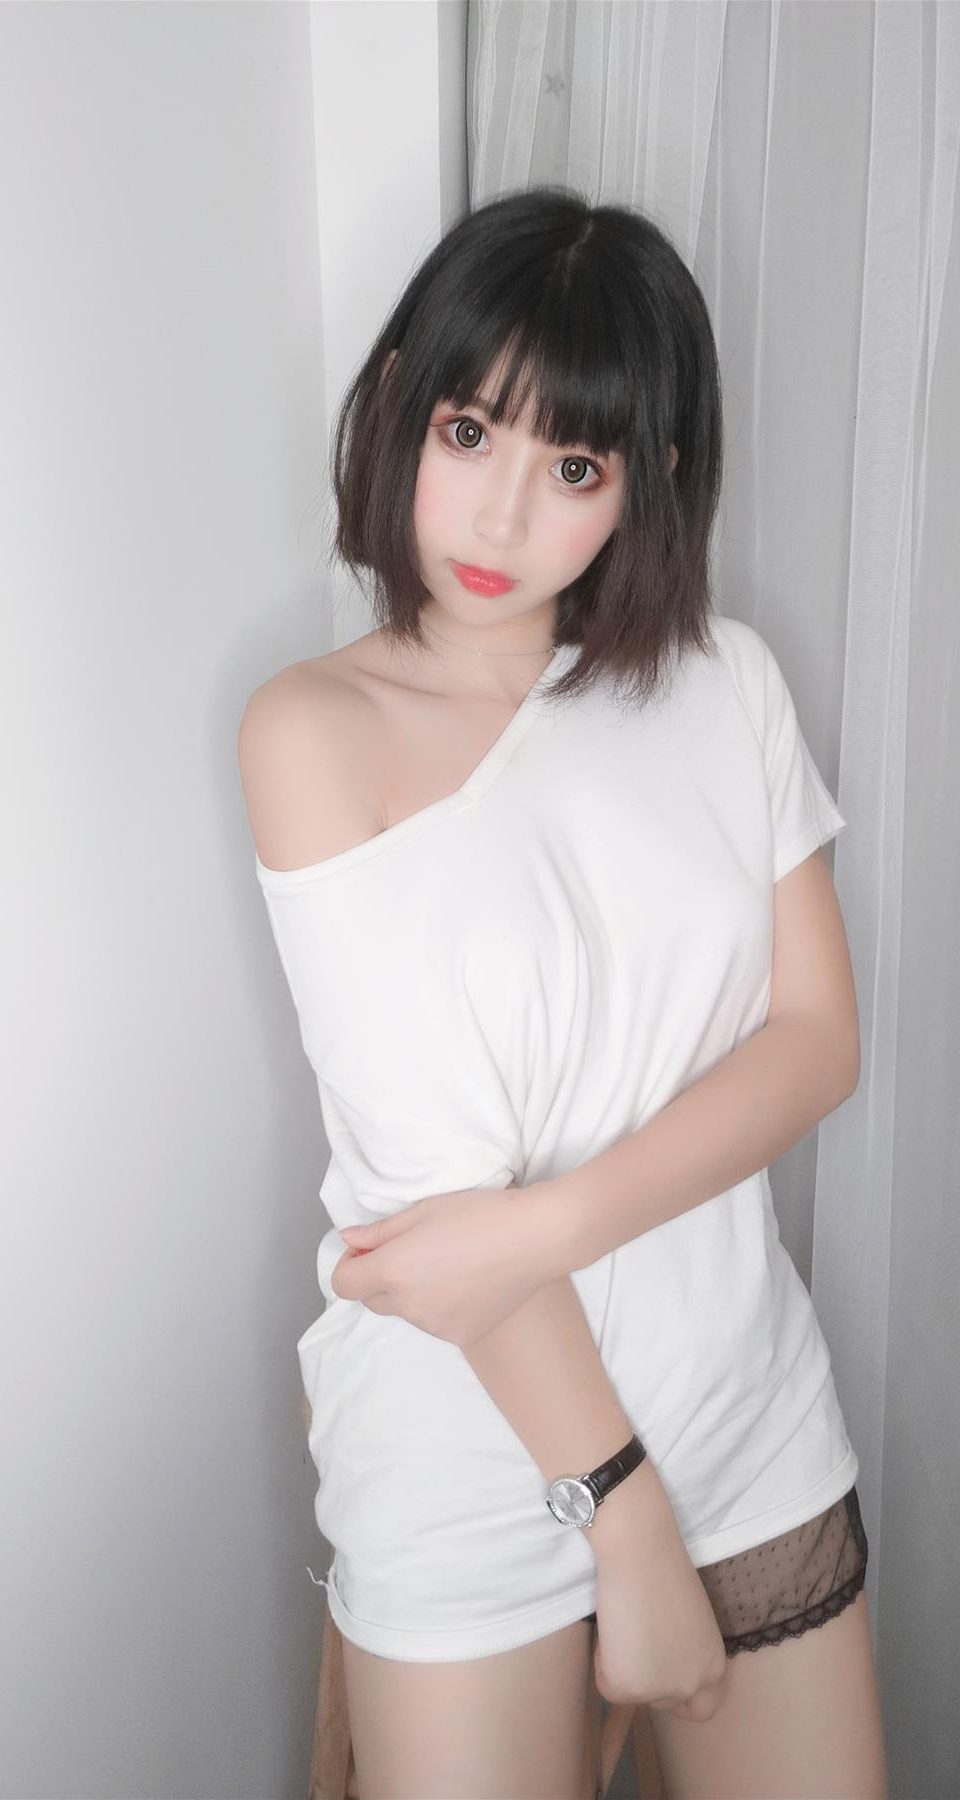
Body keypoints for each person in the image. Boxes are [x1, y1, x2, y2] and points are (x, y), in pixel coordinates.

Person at [238, 187, 887, 1799]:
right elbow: (430, 1202)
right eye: (470, 432)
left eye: (574, 467)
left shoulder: (724, 681)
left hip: (744, 1398)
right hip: (473, 1449)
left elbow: (818, 1044)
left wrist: (546, 1225)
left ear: (648, 480)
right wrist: (626, 1516)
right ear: (401, 404)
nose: (501, 516)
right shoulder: (314, 732)